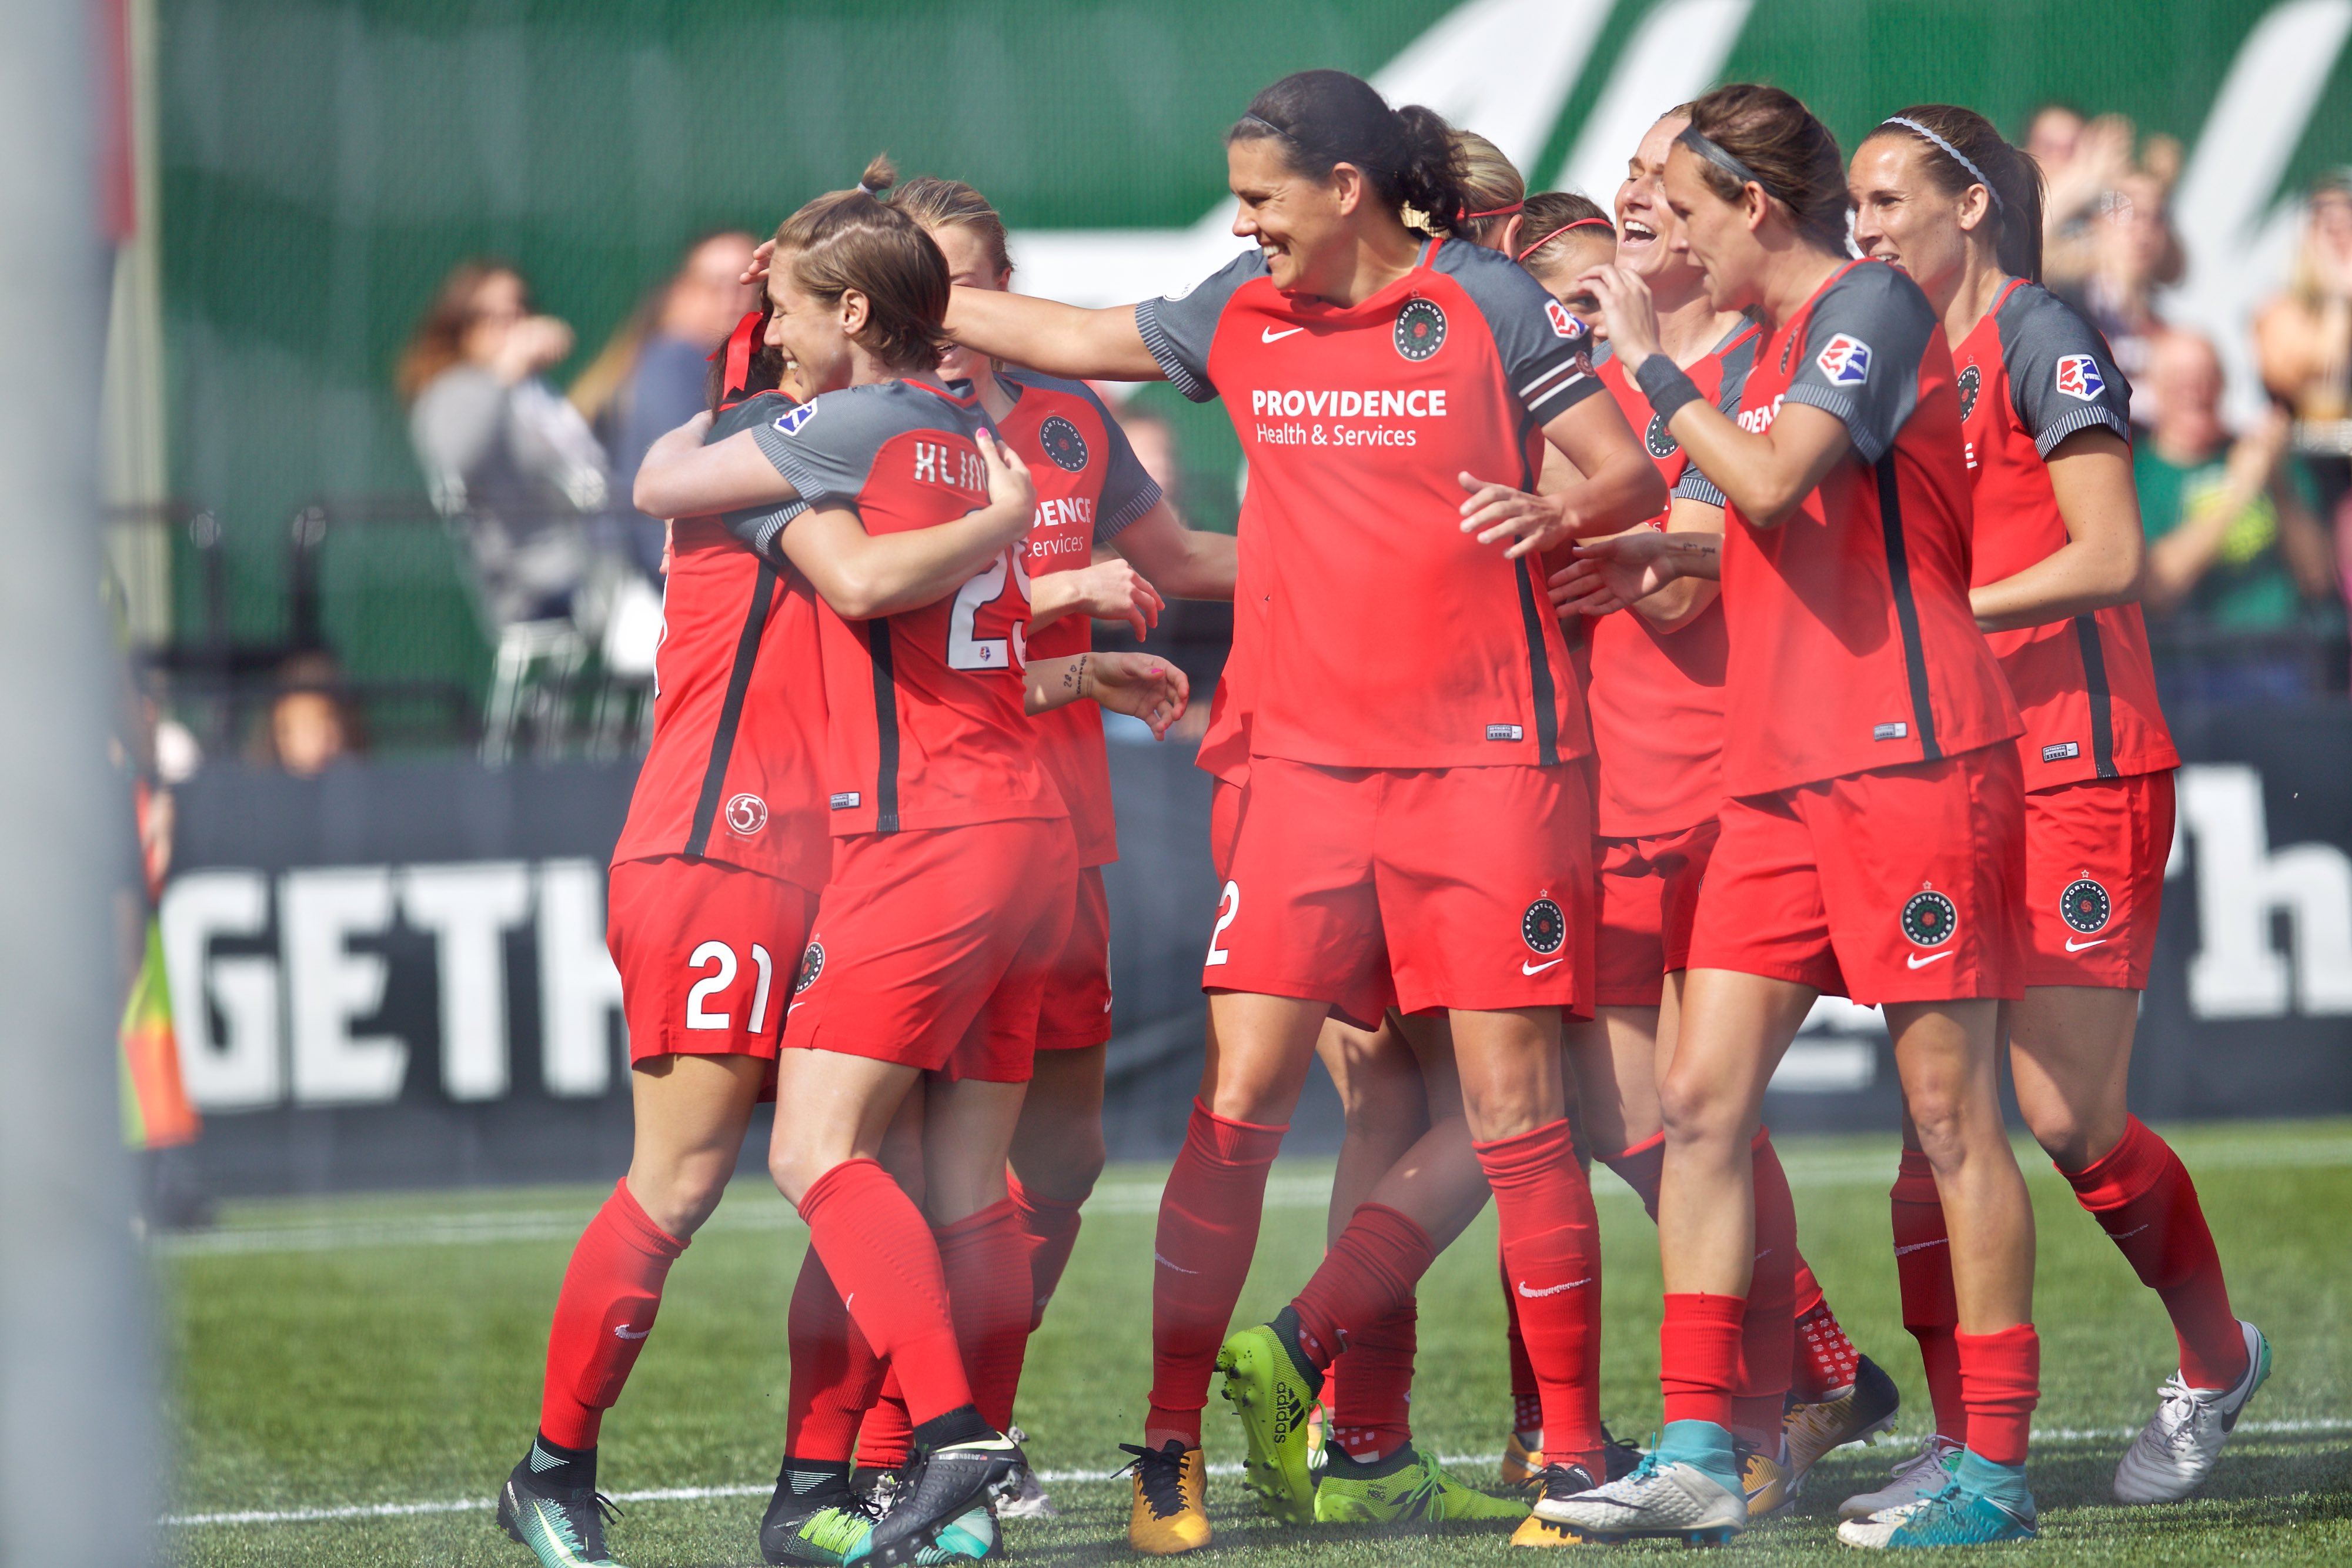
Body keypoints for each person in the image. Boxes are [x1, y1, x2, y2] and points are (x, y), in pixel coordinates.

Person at [941, 68, 1665, 1554]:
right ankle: (1166, 1449)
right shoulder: (1240, 308)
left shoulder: (1485, 302)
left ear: (1346, 189)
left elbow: (1622, 466)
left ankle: (1577, 1459)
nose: (1244, 220)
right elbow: (1073, 336)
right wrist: (895, 282)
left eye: (1263, 196)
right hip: (1300, 774)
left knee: (1517, 1111)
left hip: (1489, 767)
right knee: (1238, 1104)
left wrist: (1557, 511)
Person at [627, 159, 1189, 1568]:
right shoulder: (956, 435)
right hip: (1016, 830)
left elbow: (765, 532)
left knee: (833, 1154)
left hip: (923, 839)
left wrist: (1008, 552)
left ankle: (940, 1448)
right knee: (965, 1182)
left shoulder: (866, 434)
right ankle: (893, 1475)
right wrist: (1064, 619)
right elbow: (967, 645)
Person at [496, 273, 1074, 1568]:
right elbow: (839, 569)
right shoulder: (759, 452)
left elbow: (928, 655)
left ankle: (823, 1484)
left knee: (863, 1170)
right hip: (722, 847)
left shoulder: (862, 445)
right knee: (689, 1175)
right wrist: (1008, 520)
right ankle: (554, 1469)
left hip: (859, 854)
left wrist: (1071, 644)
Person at [1555, 83, 2038, 1549]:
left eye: (1680, 205)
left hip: (1910, 760)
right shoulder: (1768, 345)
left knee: (1952, 1121)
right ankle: (1702, 1446)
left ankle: (1995, 1475)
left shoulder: (1871, 305)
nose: (1661, 227)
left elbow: (1772, 476)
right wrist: (1650, 538)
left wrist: (1646, 375)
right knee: (1698, 1109)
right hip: (1776, 776)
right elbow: (1753, 517)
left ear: (1750, 209)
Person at [1848, 102, 2272, 1521]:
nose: (1862, 225)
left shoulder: (2040, 334)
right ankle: (1970, 1446)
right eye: (1849, 201)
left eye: (1886, 196)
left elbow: (2111, 553)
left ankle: (2213, 1359)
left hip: (2079, 759)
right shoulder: (1906, 365)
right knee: (1935, 1115)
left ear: (1968, 207)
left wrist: (1936, 621)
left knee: (2063, 1114)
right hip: (1959, 765)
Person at [807, 173, 1237, 1522]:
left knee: (1059, 1161)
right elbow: (879, 624)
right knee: (901, 1165)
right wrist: (1059, 609)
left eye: (974, 279)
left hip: (1057, 849)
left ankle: (970, 1422)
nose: (954, 310)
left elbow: (1181, 557)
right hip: (922, 830)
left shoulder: (1063, 420)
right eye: (928, 279)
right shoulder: (872, 434)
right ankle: (888, 1448)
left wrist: (1377, 531)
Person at [1535, 119, 1902, 1523]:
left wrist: (1598, 516)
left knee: (1724, 1109)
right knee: (1656, 1112)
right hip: (1614, 780)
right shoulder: (1616, 380)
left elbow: (1694, 573)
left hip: (1730, 773)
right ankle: (1794, 1381)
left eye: (1661, 183)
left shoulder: (1750, 359)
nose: (1637, 197)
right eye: (1628, 182)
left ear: (1720, 216)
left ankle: (1820, 1405)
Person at [399, 260, 620, 628]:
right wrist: (506, 371)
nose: (512, 325)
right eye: (490, 317)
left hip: (600, 558)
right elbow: (459, 460)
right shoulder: (455, 389)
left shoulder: (533, 391)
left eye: (520, 310)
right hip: (538, 581)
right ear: (461, 328)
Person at [2137, 330, 2336, 701]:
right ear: (2155, 387)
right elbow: (2157, 589)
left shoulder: (2267, 459)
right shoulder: (2139, 473)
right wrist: (2240, 489)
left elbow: (2319, 577)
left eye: (2206, 375)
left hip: (2280, 661)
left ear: (2223, 383)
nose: (2195, 389)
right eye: (2180, 378)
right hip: (2185, 668)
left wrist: (2277, 483)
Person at [572, 231, 763, 578]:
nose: (733, 296)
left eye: (747, 282)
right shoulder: (675, 360)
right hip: (663, 583)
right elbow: (677, 483)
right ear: (682, 292)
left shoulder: (711, 361)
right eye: (716, 283)